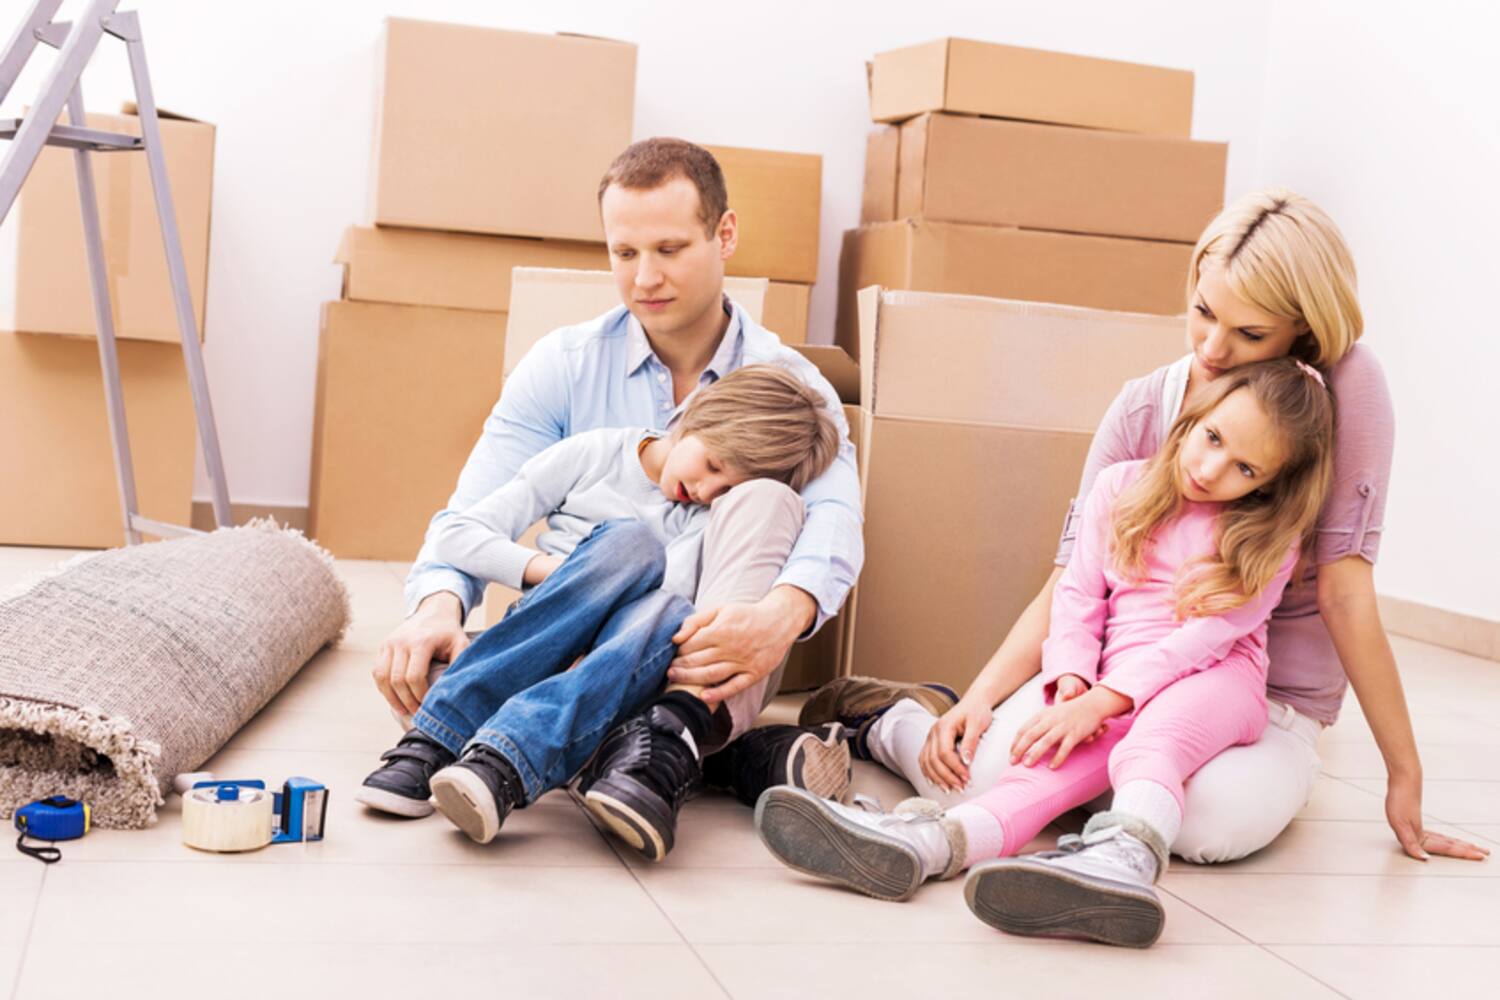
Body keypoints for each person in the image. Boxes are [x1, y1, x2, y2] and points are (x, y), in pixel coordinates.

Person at [799, 188, 1490, 866]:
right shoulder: (1143, 407)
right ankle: (896, 720)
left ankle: (1108, 814)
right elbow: (1071, 582)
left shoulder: (1345, 390)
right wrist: (981, 700)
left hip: (1256, 697)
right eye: (1203, 312)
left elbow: (1344, 591)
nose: (1213, 348)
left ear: (1303, 332)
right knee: (976, 776)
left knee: (1204, 825)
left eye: (1250, 334)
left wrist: (1404, 774)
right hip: (1115, 677)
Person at [373, 138, 865, 855]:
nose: (644, 278)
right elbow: (474, 509)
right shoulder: (565, 365)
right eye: (624, 253)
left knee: (764, 507)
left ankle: (655, 733)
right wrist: (437, 607)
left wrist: (781, 616)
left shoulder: (788, 390)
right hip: (572, 630)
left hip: (699, 653)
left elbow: (834, 519)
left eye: (669, 249)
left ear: (725, 234)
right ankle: (682, 757)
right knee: (605, 567)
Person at [757, 358, 1333, 946]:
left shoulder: (1268, 538)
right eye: (1212, 438)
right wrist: (1073, 682)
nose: (1211, 470)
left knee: (1154, 743)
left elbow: (1202, 640)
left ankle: (1123, 861)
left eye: (1244, 468)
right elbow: (1077, 597)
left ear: (1270, 483)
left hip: (1215, 678)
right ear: (1195, 415)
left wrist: (1102, 701)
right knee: (1037, 773)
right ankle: (929, 844)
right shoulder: (1121, 486)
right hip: (1113, 678)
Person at [356, 366, 847, 844]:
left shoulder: (711, 516)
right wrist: (560, 571)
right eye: (714, 466)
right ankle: (445, 738)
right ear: (697, 413)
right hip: (543, 643)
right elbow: (456, 534)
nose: (704, 491)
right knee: (631, 546)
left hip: (623, 667)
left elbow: (671, 624)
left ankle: (497, 758)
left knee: (667, 608)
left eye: (725, 489)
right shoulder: (594, 455)